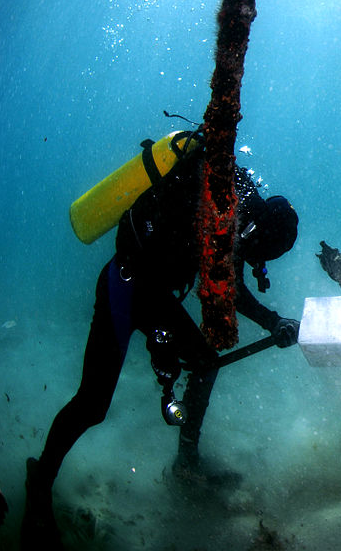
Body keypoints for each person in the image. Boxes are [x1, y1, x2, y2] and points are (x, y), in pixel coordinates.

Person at [21, 138, 300, 547]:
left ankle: (186, 463)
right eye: (259, 251)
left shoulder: (233, 220)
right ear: (260, 229)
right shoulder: (215, 198)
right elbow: (183, 267)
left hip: (156, 297)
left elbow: (230, 288)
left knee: (206, 363)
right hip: (128, 284)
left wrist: (274, 322)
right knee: (93, 403)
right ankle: (40, 480)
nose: (251, 256)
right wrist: (160, 342)